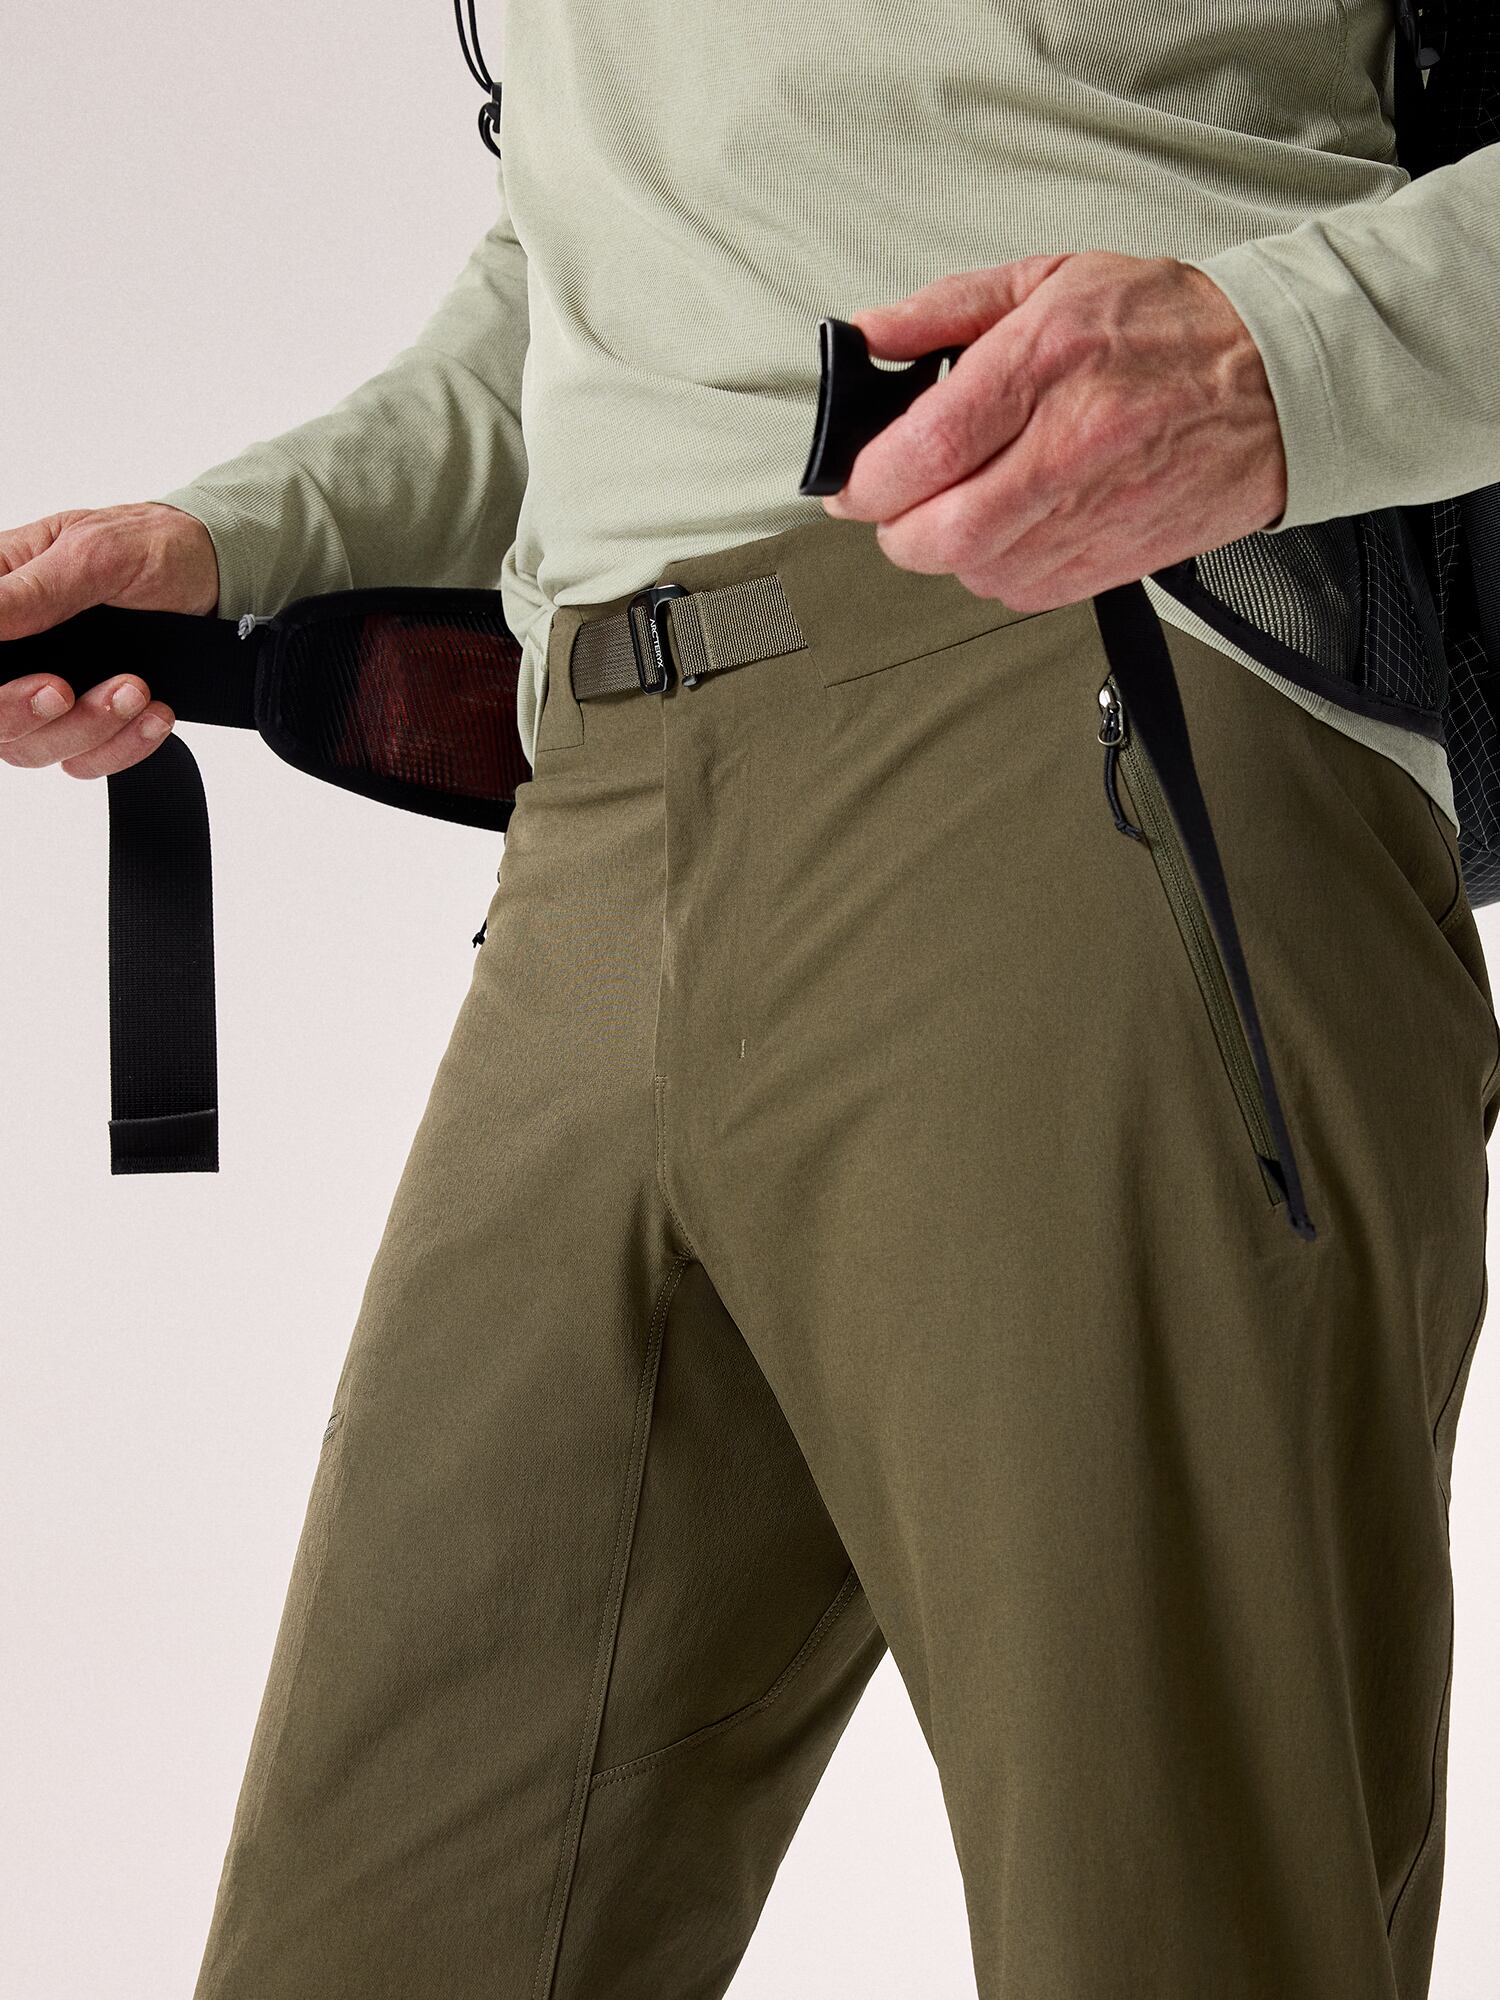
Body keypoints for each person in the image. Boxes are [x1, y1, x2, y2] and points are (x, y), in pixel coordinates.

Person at [4, 6, 1499, 1995]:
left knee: (1168, 1923)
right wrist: (241, 533)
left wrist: (1282, 355)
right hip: (602, 819)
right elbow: (609, 255)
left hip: (1100, 702)